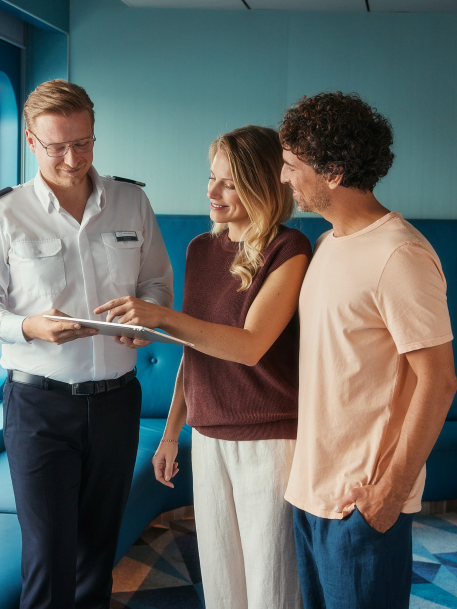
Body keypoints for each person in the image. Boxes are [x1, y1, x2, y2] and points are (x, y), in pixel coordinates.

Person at [0, 79, 173, 609]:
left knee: (98, 556)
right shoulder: (3, 215)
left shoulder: (132, 201)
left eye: (83, 143)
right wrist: (31, 326)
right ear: (32, 141)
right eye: (57, 146)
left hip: (118, 401)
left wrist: (139, 317)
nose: (72, 158)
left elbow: (158, 285)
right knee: (48, 558)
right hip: (39, 407)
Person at [95, 126, 310, 609]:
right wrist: (172, 434)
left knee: (272, 590)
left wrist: (164, 318)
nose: (211, 192)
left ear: (263, 186)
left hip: (271, 442)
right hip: (209, 439)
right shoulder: (199, 249)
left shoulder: (290, 249)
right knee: (222, 588)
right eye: (212, 178)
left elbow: (250, 346)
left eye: (229, 183)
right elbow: (196, 349)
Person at [278, 91, 457, 608]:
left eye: (292, 166)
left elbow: (439, 380)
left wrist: (388, 493)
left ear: (333, 171)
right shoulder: (328, 242)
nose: (286, 177)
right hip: (311, 491)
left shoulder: (399, 254)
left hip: (361, 499)